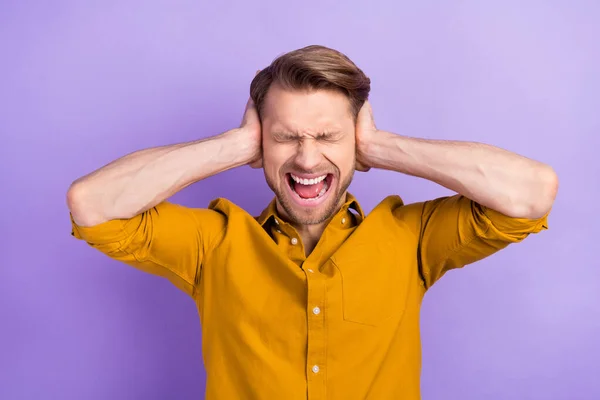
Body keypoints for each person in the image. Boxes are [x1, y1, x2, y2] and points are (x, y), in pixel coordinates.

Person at [67, 45, 557, 400]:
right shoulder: (212, 244)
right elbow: (91, 203)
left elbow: (532, 191)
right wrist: (235, 146)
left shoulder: (412, 238)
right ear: (261, 140)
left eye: (327, 136)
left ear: (355, 140)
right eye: (285, 137)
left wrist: (380, 148)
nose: (306, 158)